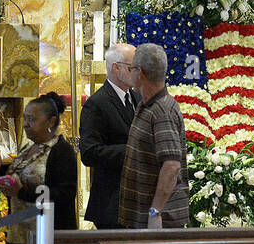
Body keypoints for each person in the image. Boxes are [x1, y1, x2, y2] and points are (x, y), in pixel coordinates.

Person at [0, 92, 78, 244]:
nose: (26, 124)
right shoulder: (28, 148)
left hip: (46, 239)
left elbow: (65, 194)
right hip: (18, 236)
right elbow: (17, 183)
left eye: (32, 119)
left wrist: (22, 193)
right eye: (26, 118)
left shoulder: (61, 151)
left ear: (51, 122)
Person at [119, 43, 190, 229]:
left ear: (140, 73)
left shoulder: (162, 111)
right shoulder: (147, 104)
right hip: (142, 219)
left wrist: (155, 212)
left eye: (131, 68)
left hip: (158, 222)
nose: (130, 73)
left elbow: (172, 165)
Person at [79, 43, 141, 229]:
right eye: (133, 68)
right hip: (112, 204)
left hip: (138, 202)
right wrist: (131, 152)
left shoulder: (137, 98)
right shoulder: (96, 104)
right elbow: (89, 153)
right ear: (116, 67)